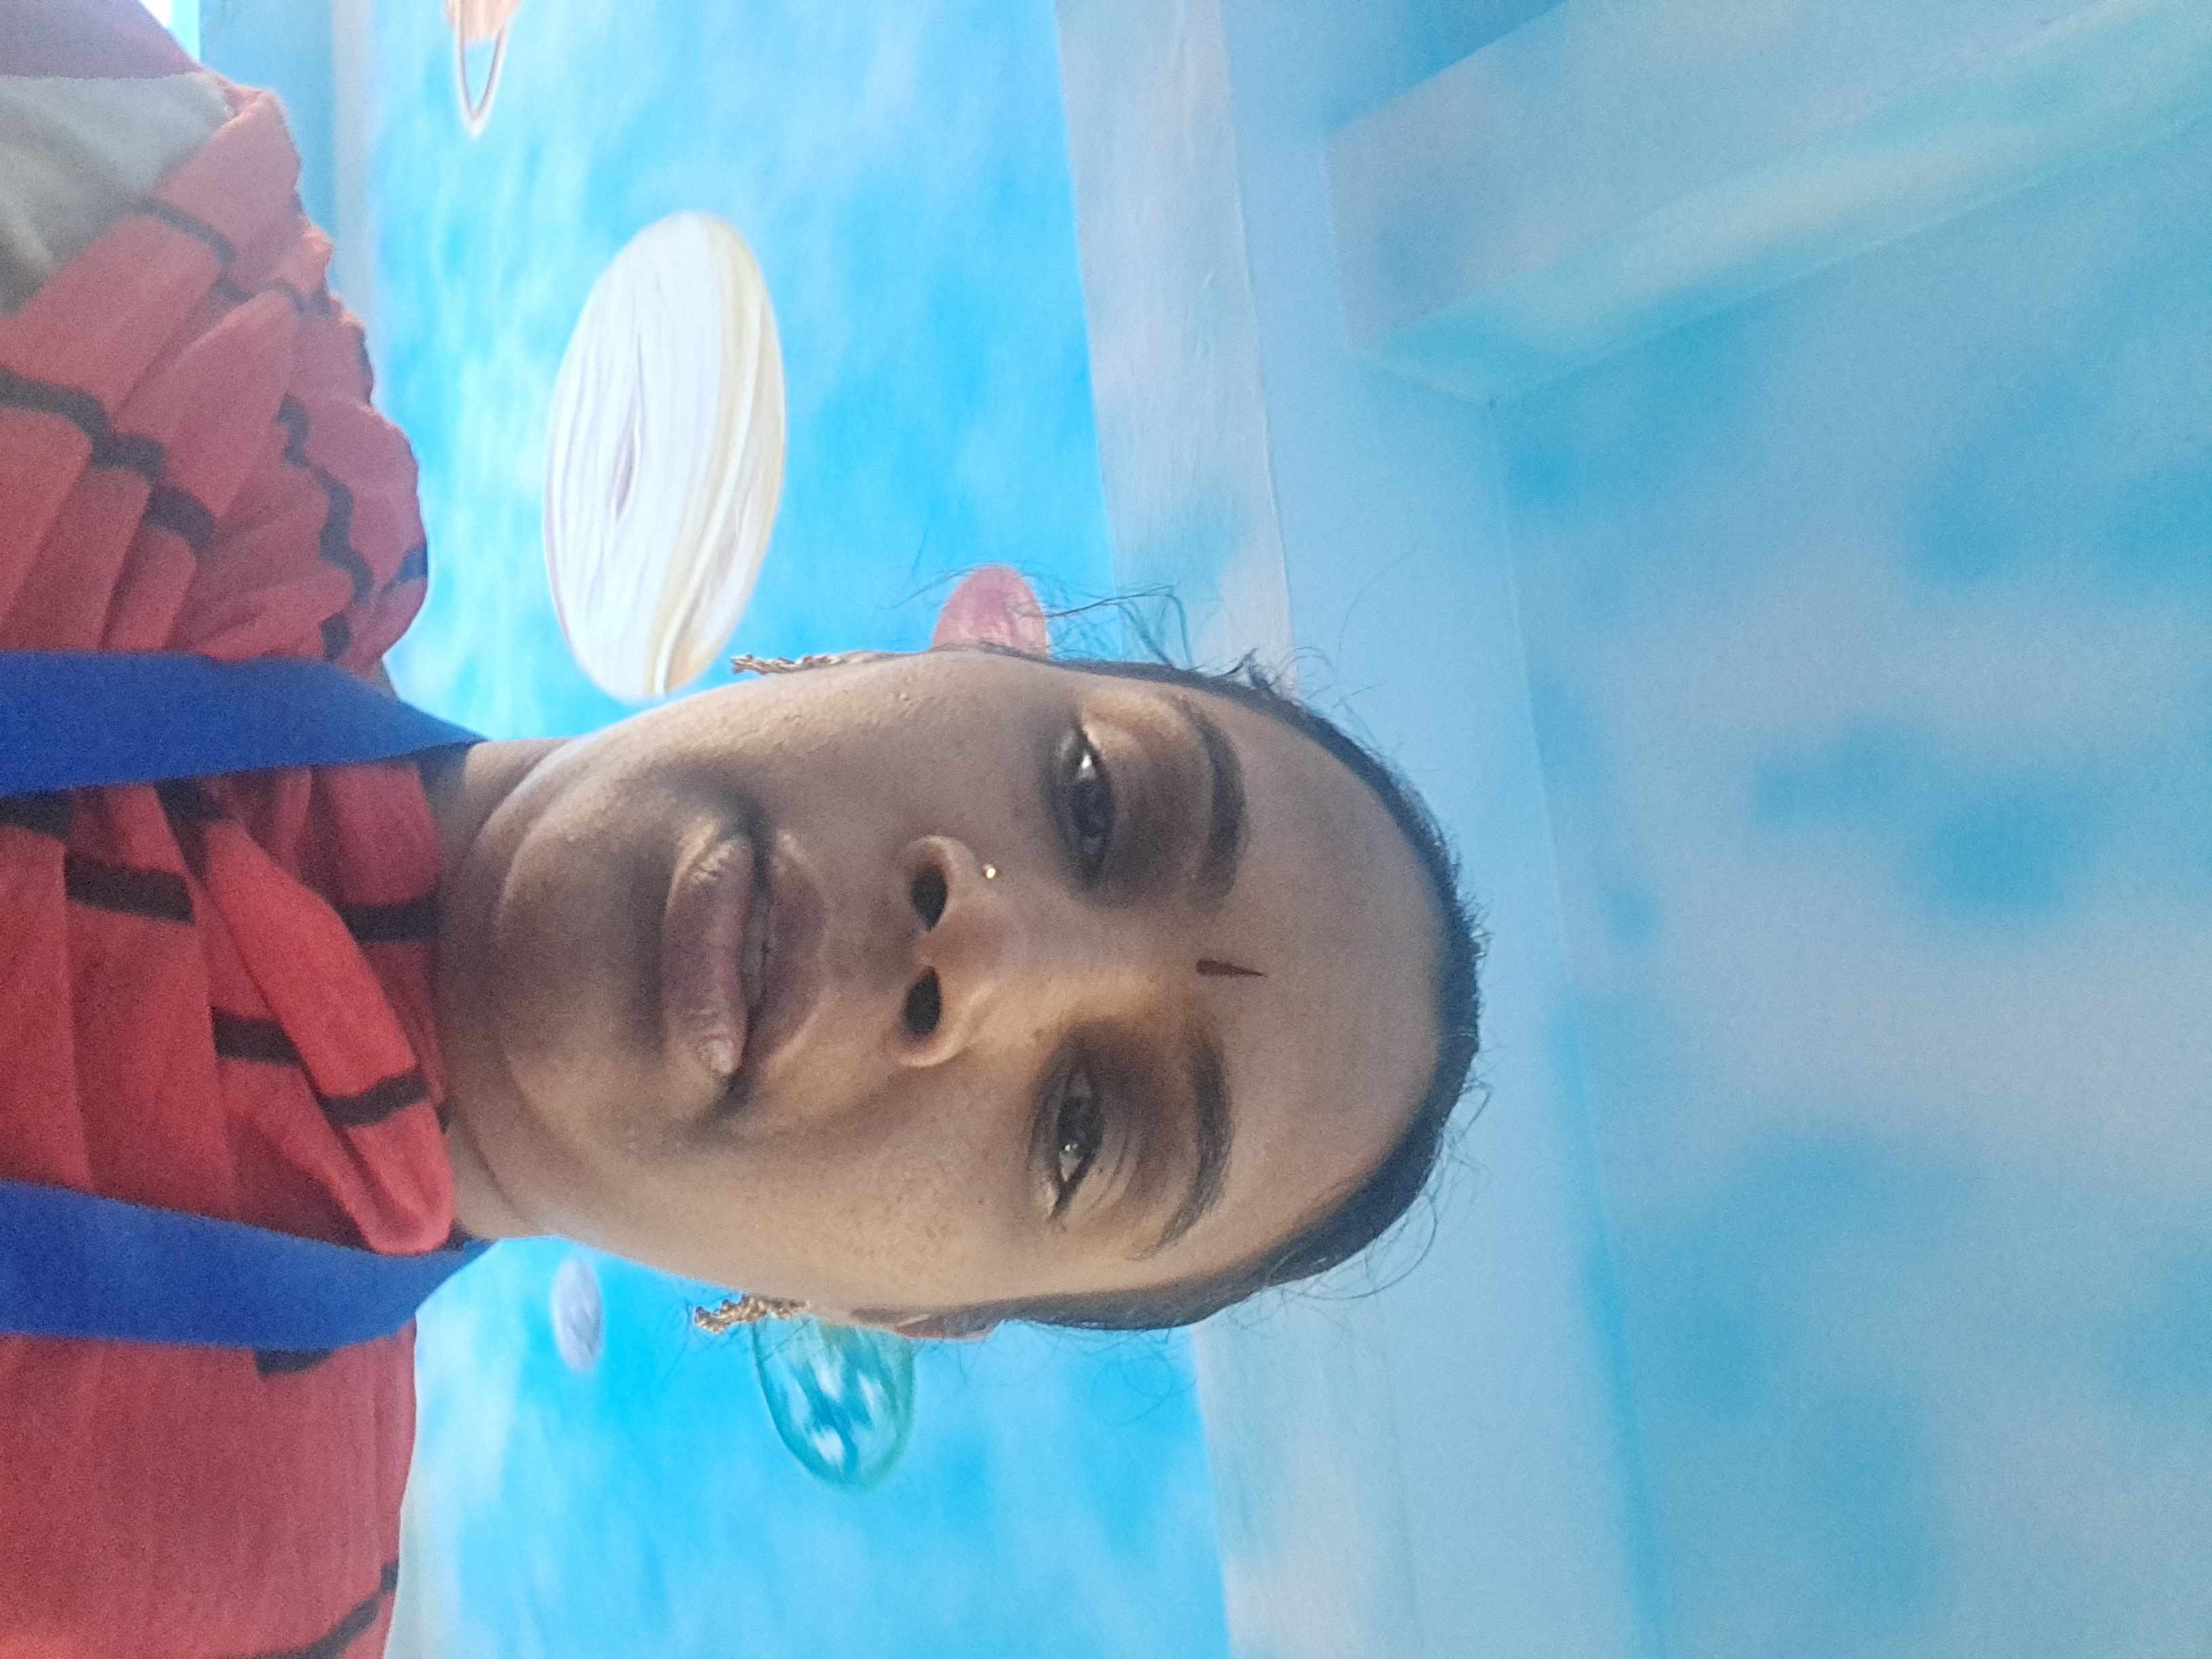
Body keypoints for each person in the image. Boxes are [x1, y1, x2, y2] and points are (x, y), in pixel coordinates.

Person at [0, 1, 1483, 1653]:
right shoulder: (162, 254)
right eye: (1093, 800)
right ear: (882, 667)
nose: (984, 954)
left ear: (891, 1308)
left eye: (1082, 1131)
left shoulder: (234, 1592)